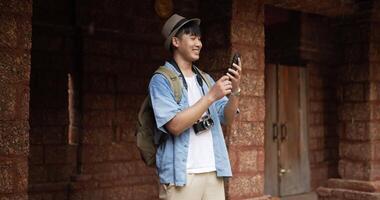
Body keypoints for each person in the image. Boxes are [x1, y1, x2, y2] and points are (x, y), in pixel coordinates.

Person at [149, 13, 242, 200]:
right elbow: (174, 126)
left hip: (213, 170)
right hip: (182, 175)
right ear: (175, 41)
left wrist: (235, 90)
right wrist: (210, 97)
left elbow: (227, 118)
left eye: (199, 38)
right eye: (192, 38)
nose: (199, 43)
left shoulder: (206, 80)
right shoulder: (161, 80)